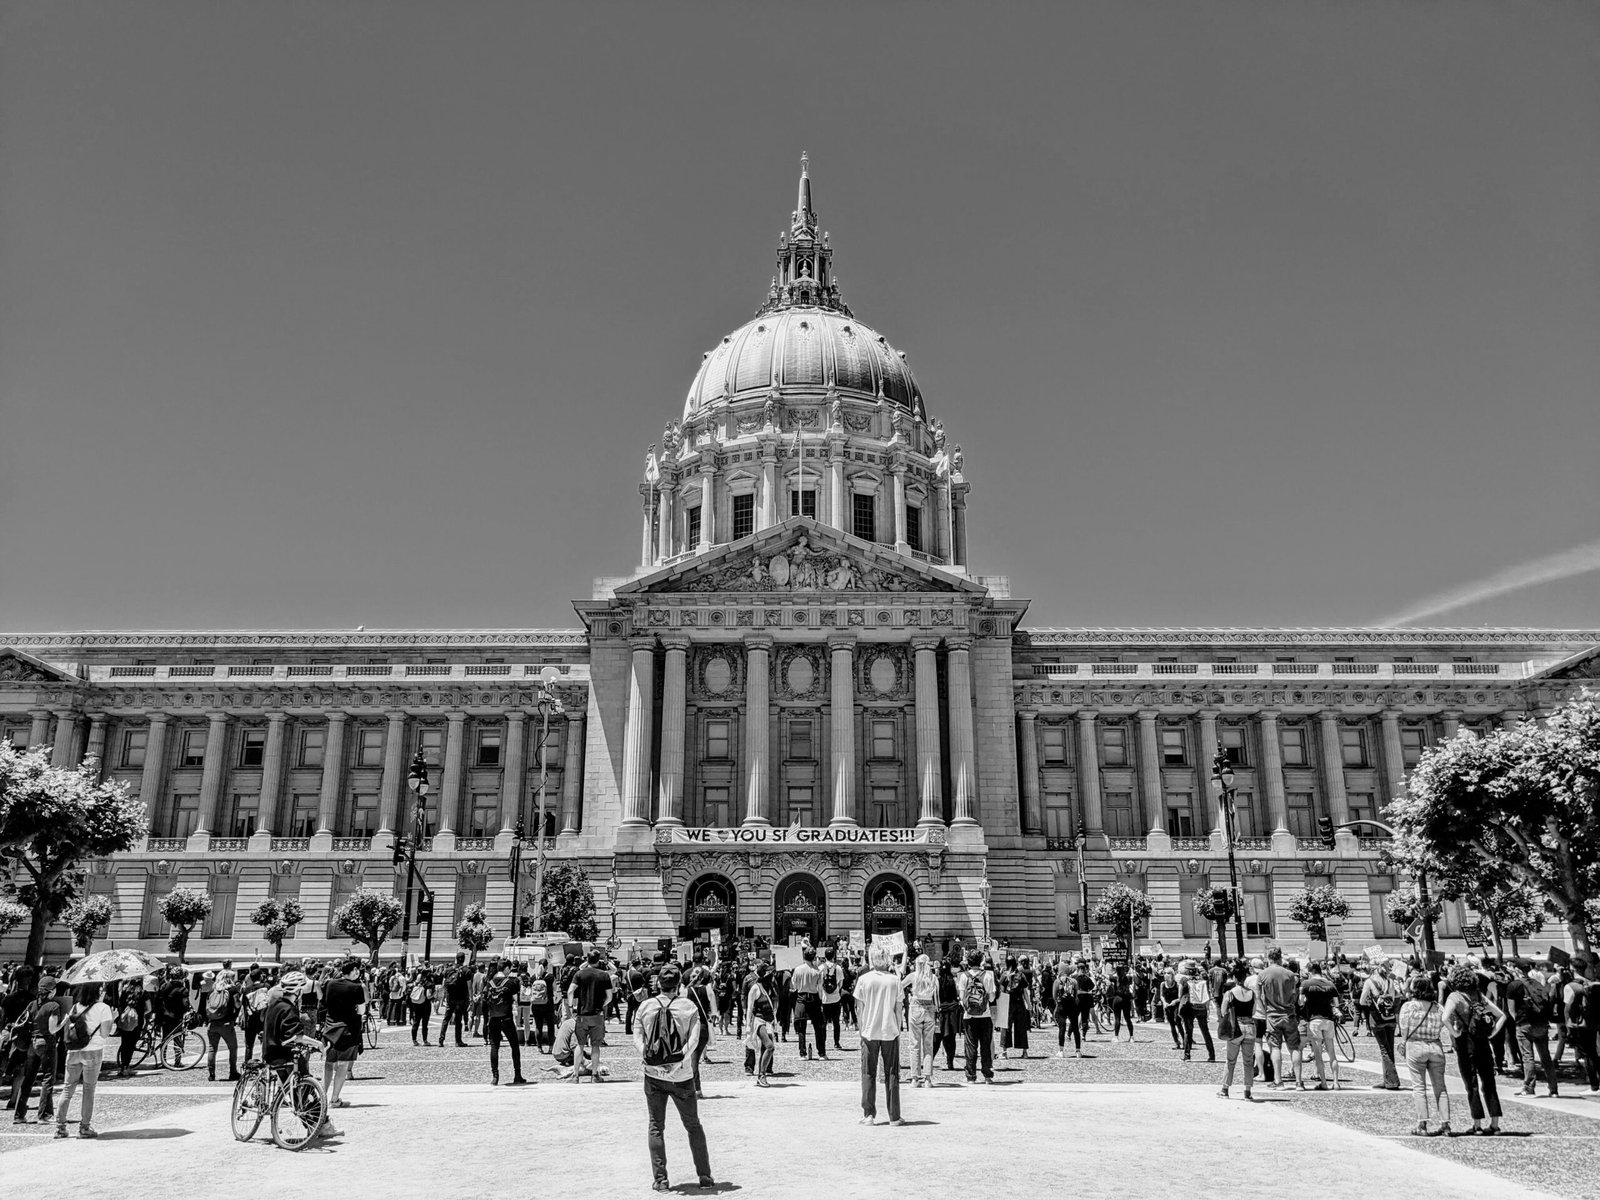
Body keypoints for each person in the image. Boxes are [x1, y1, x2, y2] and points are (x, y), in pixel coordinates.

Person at [635, 964, 713, 1193]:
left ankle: (661, 1180)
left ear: (658, 983)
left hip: (653, 1075)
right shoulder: (688, 1007)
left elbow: (637, 1039)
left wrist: (651, 1060)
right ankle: (705, 1175)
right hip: (682, 1075)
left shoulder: (645, 1006)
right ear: (679, 984)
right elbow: (694, 1041)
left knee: (656, 1126)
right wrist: (677, 1062)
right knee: (693, 1125)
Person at [1442, 963, 1506, 1134]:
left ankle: (1477, 1124)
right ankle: (1495, 1123)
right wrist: (1492, 1033)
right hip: (1483, 1041)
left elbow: (1445, 1017)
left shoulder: (1454, 997)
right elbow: (1501, 1015)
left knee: (1471, 1084)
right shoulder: (1478, 995)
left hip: (1465, 1042)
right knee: (1489, 1083)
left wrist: (1454, 1033)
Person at [51, 982, 117, 1139]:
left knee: (67, 1089)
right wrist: (113, 1018)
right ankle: (84, 1128)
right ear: (98, 990)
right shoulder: (103, 1008)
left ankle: (60, 1128)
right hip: (93, 1051)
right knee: (89, 1090)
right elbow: (105, 1034)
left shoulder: (75, 1007)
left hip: (73, 1051)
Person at [856, 947, 904, 1125]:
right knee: (892, 1073)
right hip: (889, 1030)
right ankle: (894, 1116)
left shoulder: (863, 979)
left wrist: (861, 1029)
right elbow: (898, 1008)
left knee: (868, 1072)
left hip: (869, 1031)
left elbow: (859, 1009)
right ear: (887, 960)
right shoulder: (895, 980)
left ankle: (869, 1115)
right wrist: (898, 1027)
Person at [1399, 973, 1451, 1136]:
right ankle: (1446, 1125)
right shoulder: (1438, 1007)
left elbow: (1404, 1030)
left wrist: (1404, 1042)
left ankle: (1422, 1124)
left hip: (1415, 1045)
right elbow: (1445, 1023)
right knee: (1440, 1087)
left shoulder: (1408, 1007)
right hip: (1435, 1046)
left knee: (1419, 1087)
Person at [12, 979, 67, 1124]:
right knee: (48, 1078)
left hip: (32, 1043)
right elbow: (52, 1029)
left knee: (28, 1078)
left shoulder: (32, 1004)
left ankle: (19, 1115)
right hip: (46, 1042)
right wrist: (64, 1021)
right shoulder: (53, 1006)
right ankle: (44, 1115)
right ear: (52, 990)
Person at [1506, 964, 1559, 1097]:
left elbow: (1511, 1009)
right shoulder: (1537, 984)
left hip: (1524, 1024)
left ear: (1516, 970)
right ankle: (1553, 1089)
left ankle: (1529, 1086)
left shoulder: (1513, 985)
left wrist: (1517, 1021)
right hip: (1541, 1023)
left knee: (1527, 1057)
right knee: (1545, 1057)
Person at [321, 959, 366, 1110]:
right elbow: (361, 1011)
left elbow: (325, 1004)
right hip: (348, 1029)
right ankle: (334, 1099)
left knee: (329, 1064)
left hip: (330, 1028)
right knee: (343, 1065)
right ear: (353, 971)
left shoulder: (330, 983)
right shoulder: (357, 987)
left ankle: (322, 1096)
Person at [569, 949, 614, 1084]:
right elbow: (609, 997)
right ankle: (595, 1075)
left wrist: (571, 1007)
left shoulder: (579, 974)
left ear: (587, 960)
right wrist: (602, 1005)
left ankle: (575, 1076)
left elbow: (571, 990)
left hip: (582, 1014)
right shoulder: (604, 975)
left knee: (580, 1045)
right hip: (597, 1014)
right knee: (595, 1046)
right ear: (598, 960)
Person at [1256, 948, 1299, 1087]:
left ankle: (1278, 1080)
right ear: (1280, 958)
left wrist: (1266, 1012)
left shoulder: (1262, 975)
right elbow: (1295, 995)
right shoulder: (1290, 974)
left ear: (1269, 958)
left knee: (1275, 1048)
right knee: (1294, 1048)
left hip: (1272, 1015)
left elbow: (1260, 997)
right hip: (1289, 1014)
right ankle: (1299, 1082)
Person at [1361, 959, 1404, 1089]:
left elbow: (1362, 1001)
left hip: (1378, 1018)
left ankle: (1392, 1081)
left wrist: (1372, 1002)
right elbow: (1398, 996)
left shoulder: (1369, 981)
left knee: (1384, 1050)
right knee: (1389, 1049)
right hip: (1390, 1018)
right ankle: (1387, 1079)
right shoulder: (1390, 981)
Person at [1217, 961, 1256, 1100]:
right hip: (1250, 1027)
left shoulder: (1230, 993)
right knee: (1248, 1061)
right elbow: (1253, 1011)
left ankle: (1225, 1089)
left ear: (1234, 978)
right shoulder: (1252, 993)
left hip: (1236, 1028)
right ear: (1245, 977)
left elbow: (1223, 1011)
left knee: (1230, 1060)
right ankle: (1247, 1091)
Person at [956, 950, 997, 1084]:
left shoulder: (963, 976)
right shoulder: (987, 976)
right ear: (981, 961)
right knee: (986, 1045)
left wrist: (968, 1007)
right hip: (985, 1015)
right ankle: (987, 1075)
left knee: (970, 1046)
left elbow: (962, 998)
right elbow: (991, 998)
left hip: (969, 1017)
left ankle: (971, 1076)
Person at [1299, 961, 1341, 1090]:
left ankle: (1323, 1083)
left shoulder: (1306, 984)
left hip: (1314, 1019)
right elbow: (1336, 1003)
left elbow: (1301, 1002)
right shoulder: (1330, 984)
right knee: (1332, 1053)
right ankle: (1335, 1082)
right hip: (1328, 1019)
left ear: (1311, 972)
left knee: (1318, 1054)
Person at [483, 967, 528, 1086]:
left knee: (494, 1046)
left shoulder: (490, 983)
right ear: (506, 969)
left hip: (494, 1018)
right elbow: (517, 996)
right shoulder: (509, 982)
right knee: (514, 1045)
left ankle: (495, 1076)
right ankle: (517, 1075)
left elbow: (484, 1000)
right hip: (506, 1018)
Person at [1564, 955, 1598, 1093]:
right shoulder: (1590, 983)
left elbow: (1567, 1009)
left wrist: (1568, 1028)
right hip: (1592, 1023)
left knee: (1587, 1055)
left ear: (1572, 969)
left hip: (1578, 1025)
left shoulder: (1570, 987)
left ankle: (1594, 1085)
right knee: (1593, 1053)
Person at [903, 953, 939, 1086]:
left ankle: (915, 1078)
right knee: (928, 1045)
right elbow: (937, 997)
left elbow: (899, 986)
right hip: (929, 1007)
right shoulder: (934, 978)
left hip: (916, 1006)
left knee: (914, 1044)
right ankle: (928, 1078)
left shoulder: (913, 976)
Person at [202, 970, 241, 1082]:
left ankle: (211, 1074)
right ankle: (233, 1072)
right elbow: (237, 1004)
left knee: (212, 1049)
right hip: (227, 1024)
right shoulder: (232, 990)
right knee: (232, 1048)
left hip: (212, 1023)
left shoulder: (212, 989)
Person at [745, 962, 777, 1087]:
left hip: (769, 1021)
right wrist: (748, 1026)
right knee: (770, 1046)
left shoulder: (770, 987)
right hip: (759, 1021)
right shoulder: (755, 988)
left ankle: (761, 1074)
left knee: (765, 1048)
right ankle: (761, 1075)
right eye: (769, 973)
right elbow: (749, 1008)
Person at [789, 946, 825, 1060]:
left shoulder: (798, 969)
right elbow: (820, 988)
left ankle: (802, 1053)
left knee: (801, 1027)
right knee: (818, 1027)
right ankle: (822, 1053)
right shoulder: (818, 971)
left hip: (801, 997)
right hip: (814, 997)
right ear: (814, 957)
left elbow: (793, 986)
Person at [1181, 962, 1216, 1062]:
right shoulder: (1203, 980)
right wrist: (1207, 1008)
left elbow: (1181, 994)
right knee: (1205, 1032)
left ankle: (1187, 1055)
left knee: (1188, 1031)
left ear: (1187, 970)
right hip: (1201, 1007)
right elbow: (1207, 994)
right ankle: (1212, 1055)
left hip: (1190, 1007)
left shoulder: (1185, 980)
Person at [819, 947, 845, 1051]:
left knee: (824, 1022)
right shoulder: (838, 968)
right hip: (836, 998)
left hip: (825, 999)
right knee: (836, 1022)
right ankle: (836, 1042)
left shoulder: (821, 968)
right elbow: (840, 983)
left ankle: (823, 1042)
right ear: (833, 956)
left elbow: (819, 984)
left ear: (825, 956)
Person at [407, 968, 434, 1045]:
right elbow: (428, 996)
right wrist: (433, 995)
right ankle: (425, 1040)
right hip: (425, 1005)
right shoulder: (429, 983)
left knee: (416, 1022)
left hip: (416, 1004)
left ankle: (414, 1040)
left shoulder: (417, 982)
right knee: (424, 1024)